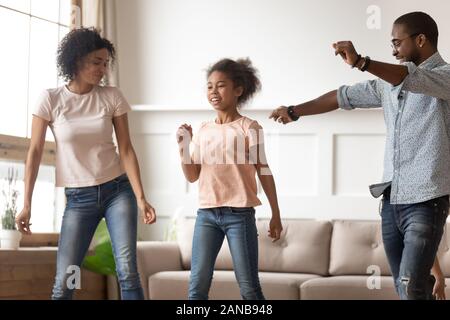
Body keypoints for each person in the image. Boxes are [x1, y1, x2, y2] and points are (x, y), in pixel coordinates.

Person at [269, 11, 449, 300]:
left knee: (412, 286)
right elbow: (342, 97)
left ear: (421, 39)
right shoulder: (387, 86)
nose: (393, 50)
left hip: (427, 200)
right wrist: (294, 111)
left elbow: (409, 77)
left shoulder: (445, 78)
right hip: (391, 201)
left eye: (397, 43)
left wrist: (362, 62)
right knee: (408, 288)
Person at [15, 27, 156, 300]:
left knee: (127, 270)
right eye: (96, 62)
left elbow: (126, 148)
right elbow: (34, 152)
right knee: (67, 277)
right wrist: (27, 203)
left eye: (105, 62)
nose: (103, 68)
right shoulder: (51, 99)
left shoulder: (111, 96)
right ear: (76, 60)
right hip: (79, 198)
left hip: (118, 191)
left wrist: (141, 197)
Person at [176, 58, 283, 300]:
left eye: (221, 85)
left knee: (249, 288)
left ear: (238, 90)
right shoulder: (202, 130)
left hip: (240, 215)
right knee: (197, 288)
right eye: (210, 86)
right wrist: (183, 145)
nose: (214, 91)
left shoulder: (249, 128)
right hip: (206, 215)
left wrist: (276, 213)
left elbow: (264, 170)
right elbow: (193, 176)